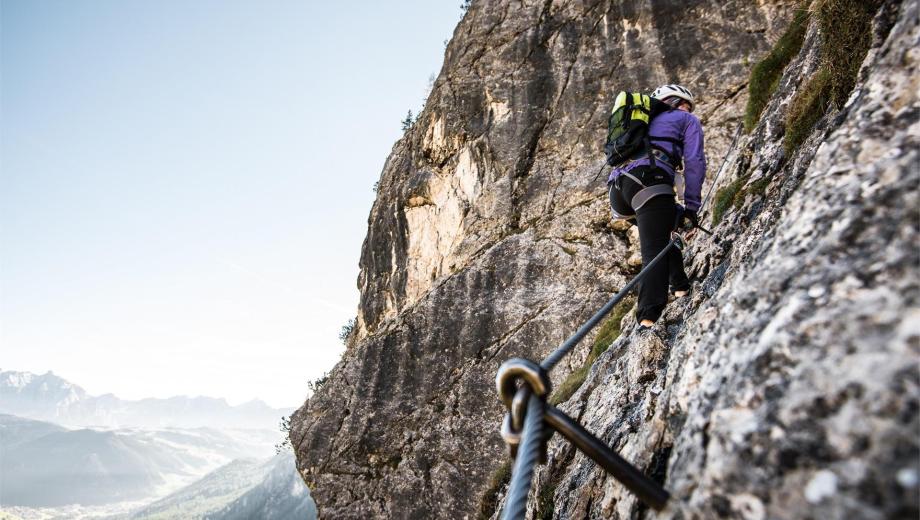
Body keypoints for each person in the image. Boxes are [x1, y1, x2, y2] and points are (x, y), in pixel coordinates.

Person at [607, 84, 707, 330]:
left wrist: (681, 212)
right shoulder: (686, 120)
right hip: (649, 182)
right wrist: (692, 208)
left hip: (618, 192)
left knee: (663, 227)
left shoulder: (640, 125)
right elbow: (695, 162)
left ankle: (681, 286)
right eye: (685, 104)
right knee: (653, 249)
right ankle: (647, 316)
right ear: (675, 102)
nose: (688, 110)